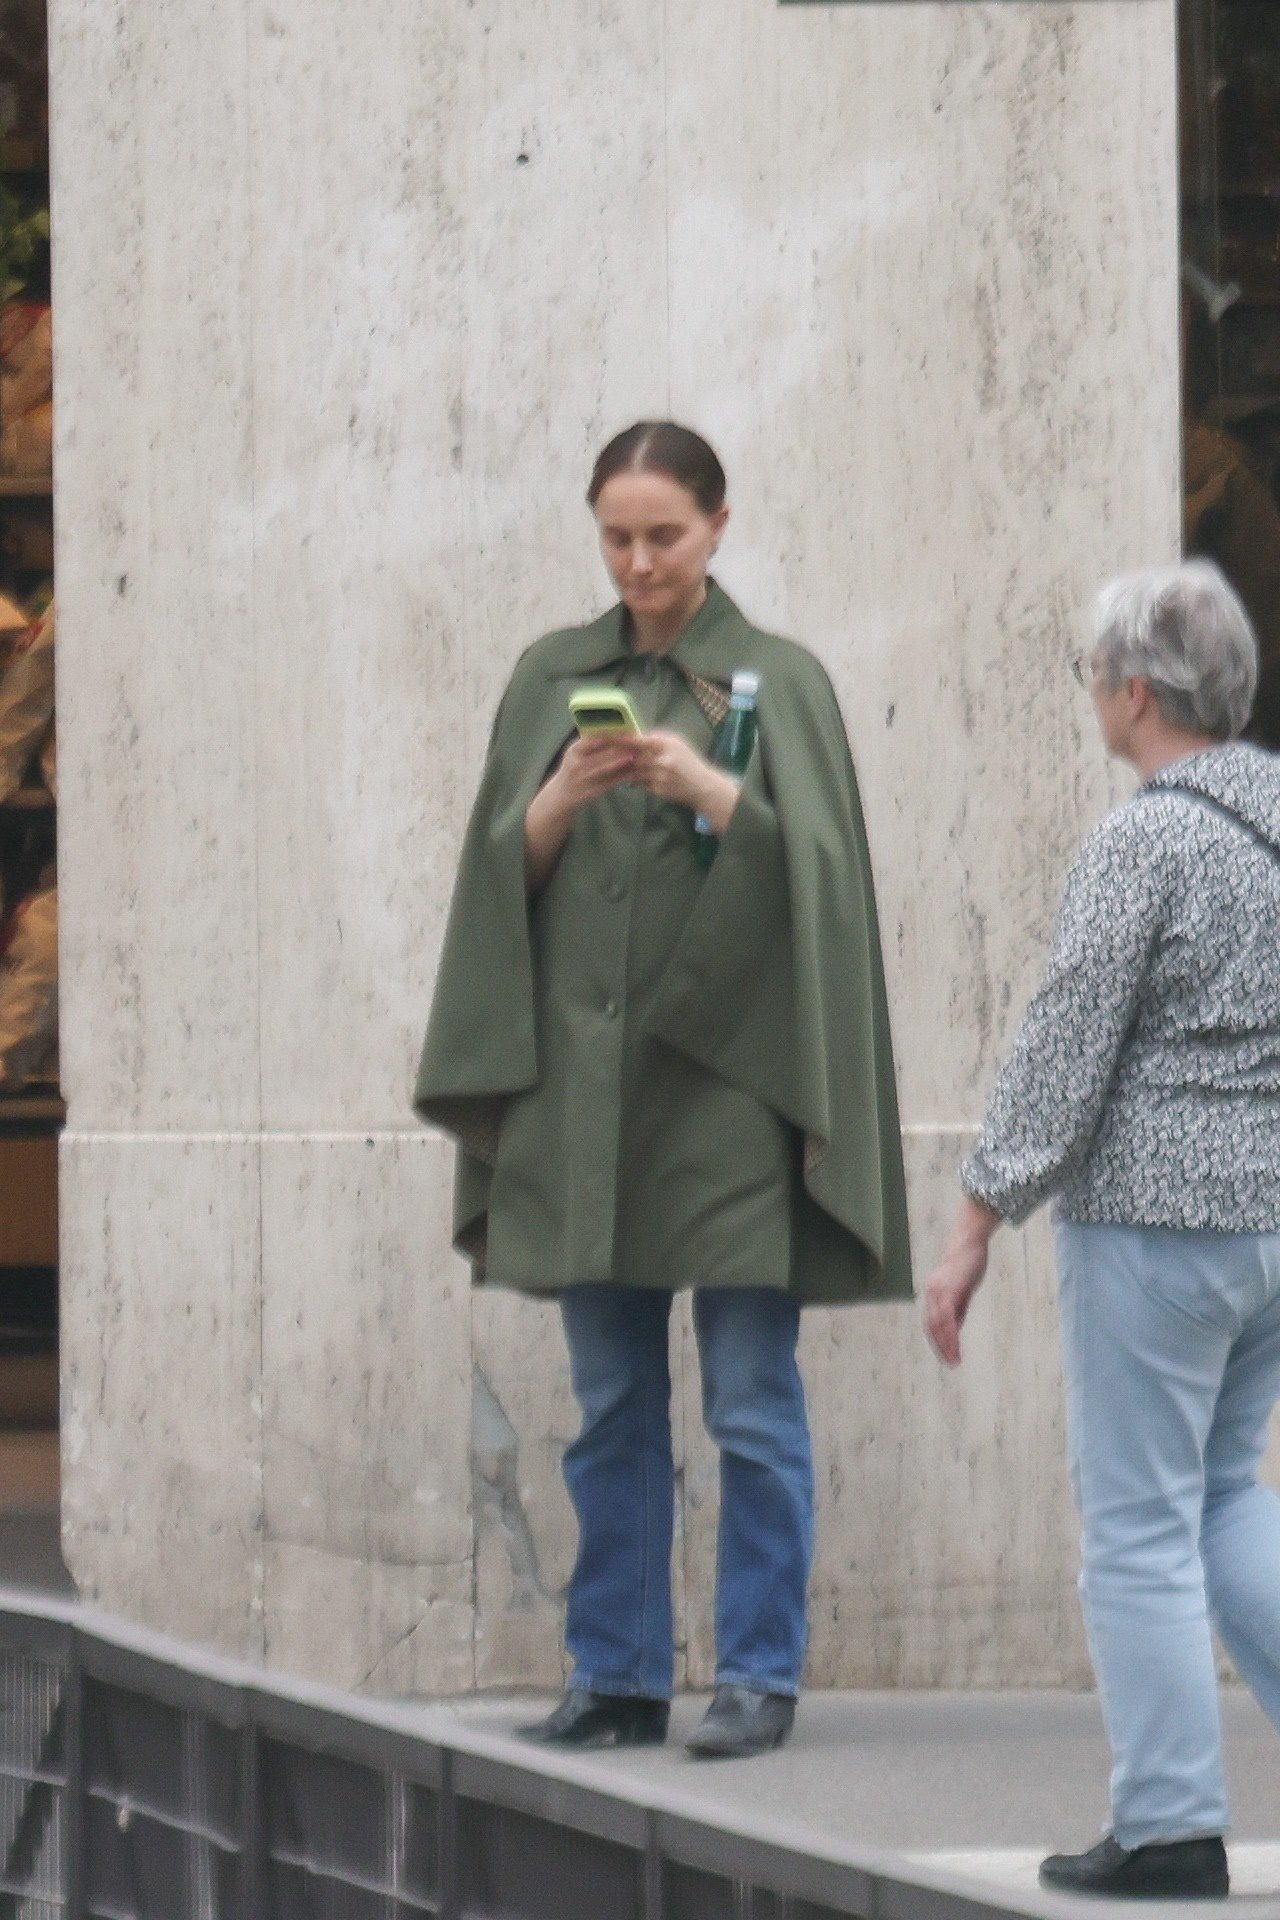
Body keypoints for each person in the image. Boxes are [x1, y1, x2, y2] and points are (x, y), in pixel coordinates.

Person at [415, 421, 911, 1758]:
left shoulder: (779, 682)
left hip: (732, 1099)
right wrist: (563, 799)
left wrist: (713, 791)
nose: (639, 562)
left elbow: (829, 898)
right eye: (617, 537)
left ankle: (758, 1672)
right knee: (615, 1404)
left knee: (751, 1397)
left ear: (719, 527)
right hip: (592, 1098)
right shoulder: (549, 680)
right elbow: (493, 885)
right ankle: (617, 1673)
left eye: (664, 536)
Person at [925, 560, 1280, 1900]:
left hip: (1155, 1229)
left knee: (1137, 1522)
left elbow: (1066, 1040)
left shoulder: (1143, 840)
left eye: (1093, 675)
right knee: (1221, 1500)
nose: (1092, 695)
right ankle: (1175, 1810)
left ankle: (1172, 1824)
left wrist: (975, 1220)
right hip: (1272, 1223)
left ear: (1136, 690)